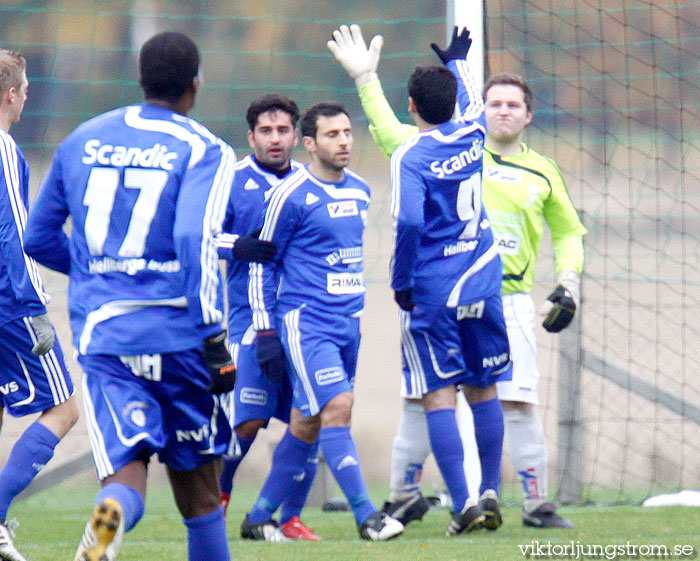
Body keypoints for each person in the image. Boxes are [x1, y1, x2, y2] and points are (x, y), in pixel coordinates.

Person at [329, 24, 586, 529]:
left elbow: (406, 221)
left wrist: (400, 280)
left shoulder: (412, 155)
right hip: (485, 282)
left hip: (438, 288)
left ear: (410, 106)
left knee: (437, 394)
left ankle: (467, 503)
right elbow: (469, 100)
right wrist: (458, 63)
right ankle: (487, 491)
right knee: (485, 387)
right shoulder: (474, 132)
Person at [24, 32, 237, 561]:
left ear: (140, 80)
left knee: (125, 470)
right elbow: (194, 240)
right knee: (200, 492)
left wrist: (101, 272)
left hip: (106, 336)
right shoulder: (204, 148)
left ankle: (111, 517)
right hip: (179, 336)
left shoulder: (81, 140)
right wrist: (214, 338)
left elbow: (37, 237)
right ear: (195, 86)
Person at [245, 101, 404, 541]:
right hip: (305, 322)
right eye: (333, 135)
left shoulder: (359, 189)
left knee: (306, 423)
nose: (345, 142)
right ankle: (368, 517)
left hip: (347, 323)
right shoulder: (289, 195)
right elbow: (263, 263)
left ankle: (258, 517)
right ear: (309, 143)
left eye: (348, 133)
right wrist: (265, 331)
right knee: (339, 407)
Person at [215, 94, 321, 542]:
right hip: (247, 318)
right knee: (250, 421)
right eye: (266, 131)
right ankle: (217, 500)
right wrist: (236, 245)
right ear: (250, 136)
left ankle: (289, 515)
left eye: (283, 130)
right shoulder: (232, 179)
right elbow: (200, 237)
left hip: (301, 317)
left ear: (297, 134)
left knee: (313, 413)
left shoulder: (307, 181)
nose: (275, 139)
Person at [0, 48, 79, 561]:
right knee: (66, 407)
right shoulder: (4, 148)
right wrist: (34, 306)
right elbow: (13, 235)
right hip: (9, 305)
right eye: (25, 90)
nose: (27, 97)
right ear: (11, 93)